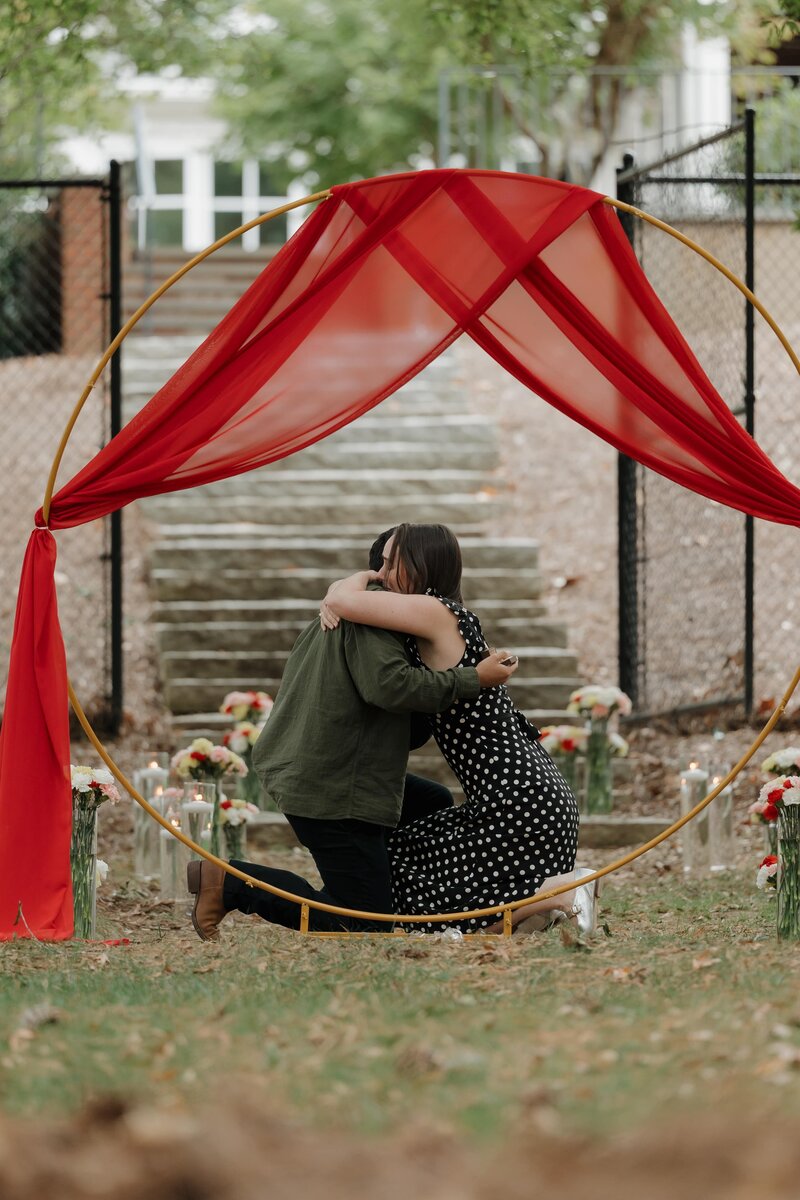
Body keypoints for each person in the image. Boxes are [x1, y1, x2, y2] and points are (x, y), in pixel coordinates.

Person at [186, 569, 517, 939]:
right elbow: (390, 687)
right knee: (364, 926)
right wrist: (473, 678)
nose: (391, 575)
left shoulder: (355, 608)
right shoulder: (365, 620)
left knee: (430, 801)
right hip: (331, 784)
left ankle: (378, 888)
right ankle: (228, 881)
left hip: (329, 766)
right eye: (388, 565)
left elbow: (399, 725)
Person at [319, 522, 595, 935]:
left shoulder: (433, 611)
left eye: (394, 560)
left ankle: (564, 892)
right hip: (535, 797)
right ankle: (548, 902)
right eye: (382, 561)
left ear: (424, 563)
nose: (383, 570)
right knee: (454, 886)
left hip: (517, 801)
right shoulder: (448, 617)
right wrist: (344, 596)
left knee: (398, 862)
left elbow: (344, 600)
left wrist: (350, 586)